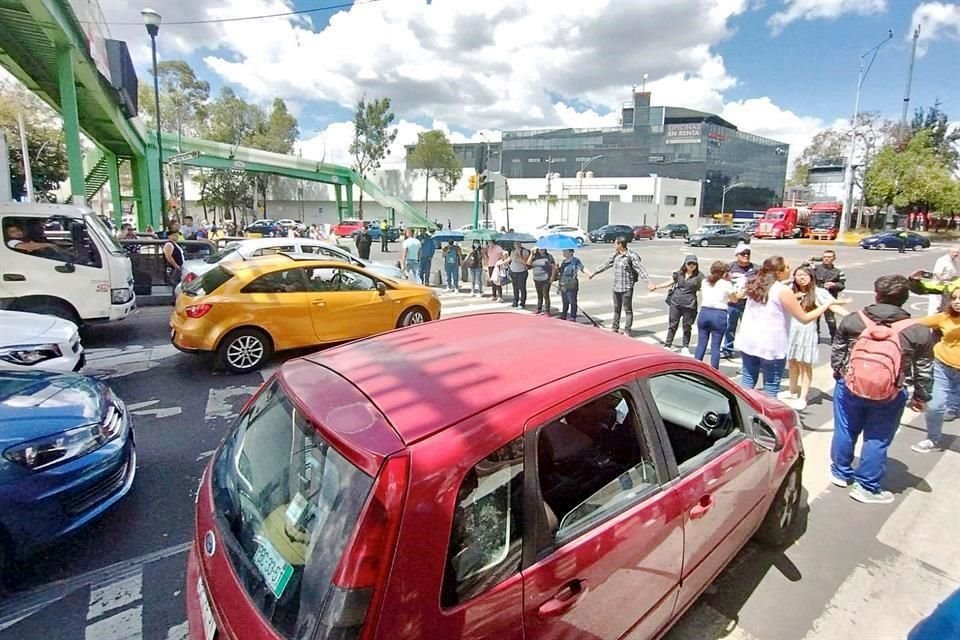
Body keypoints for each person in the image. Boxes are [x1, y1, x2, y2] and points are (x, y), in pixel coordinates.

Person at [830, 274, 933, 504]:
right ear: (905, 298)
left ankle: (840, 472)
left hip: (850, 387)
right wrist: (920, 397)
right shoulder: (917, 330)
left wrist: (840, 375)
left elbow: (837, 353)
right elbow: (924, 369)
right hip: (891, 393)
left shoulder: (854, 320)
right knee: (877, 438)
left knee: (845, 429)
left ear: (877, 295)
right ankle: (866, 486)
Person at [736, 256, 846, 396]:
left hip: (749, 341)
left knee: (747, 381)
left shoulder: (755, 284)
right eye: (787, 267)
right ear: (778, 272)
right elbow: (804, 318)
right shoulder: (782, 290)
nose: (790, 270)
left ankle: (743, 412)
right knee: (771, 387)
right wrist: (827, 304)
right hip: (770, 346)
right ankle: (766, 416)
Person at [781, 266, 850, 410]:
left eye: (805, 275)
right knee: (792, 362)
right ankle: (792, 391)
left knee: (805, 364)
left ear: (811, 277)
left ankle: (803, 397)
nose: (802, 278)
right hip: (790, 331)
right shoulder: (789, 291)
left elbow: (832, 306)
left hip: (806, 331)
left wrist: (853, 317)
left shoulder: (819, 292)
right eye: (798, 275)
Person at [911, 287, 960, 453]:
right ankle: (933, 439)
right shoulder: (945, 317)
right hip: (942, 367)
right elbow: (915, 323)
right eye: (954, 298)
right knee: (935, 406)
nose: (957, 302)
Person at [589, 237, 648, 335]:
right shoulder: (615, 255)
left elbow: (640, 269)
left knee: (627, 309)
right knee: (617, 308)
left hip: (627, 287)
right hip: (616, 287)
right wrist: (594, 273)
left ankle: (627, 330)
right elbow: (606, 264)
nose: (614, 245)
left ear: (620, 244)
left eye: (615, 243)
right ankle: (615, 327)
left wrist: (648, 282)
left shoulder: (631, 256)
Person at [649, 254, 704, 356]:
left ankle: (685, 346)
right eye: (689, 263)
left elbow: (705, 288)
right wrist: (656, 287)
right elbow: (670, 282)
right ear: (685, 264)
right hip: (676, 302)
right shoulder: (679, 273)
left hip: (689, 304)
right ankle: (668, 345)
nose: (691, 265)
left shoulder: (699, 276)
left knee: (687, 326)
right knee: (672, 324)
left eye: (694, 264)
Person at [694, 261, 738, 369]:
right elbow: (734, 299)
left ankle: (695, 367)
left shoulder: (705, 281)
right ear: (724, 273)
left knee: (701, 343)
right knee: (715, 346)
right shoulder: (726, 284)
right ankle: (714, 370)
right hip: (719, 314)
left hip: (704, 312)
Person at [722, 243, 757, 359]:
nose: (746, 256)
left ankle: (748, 352)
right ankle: (727, 349)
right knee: (729, 327)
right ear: (737, 255)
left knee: (748, 329)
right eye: (743, 254)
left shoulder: (756, 269)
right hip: (732, 303)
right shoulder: (730, 267)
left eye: (748, 254)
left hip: (749, 304)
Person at [813, 249, 846, 341]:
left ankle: (834, 337)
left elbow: (842, 285)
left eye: (829, 257)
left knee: (830, 319)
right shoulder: (815, 268)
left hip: (829, 297)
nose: (826, 259)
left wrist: (834, 285)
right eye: (825, 257)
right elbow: (803, 274)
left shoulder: (838, 272)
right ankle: (816, 336)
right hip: (816, 297)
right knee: (815, 318)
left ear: (834, 258)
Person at [557, 248, 590, 321]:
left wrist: (588, 274)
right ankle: (564, 315)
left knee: (572, 301)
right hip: (563, 283)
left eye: (565, 251)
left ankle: (573, 316)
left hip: (571, 283)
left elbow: (582, 268)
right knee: (565, 301)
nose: (563, 253)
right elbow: (561, 273)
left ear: (571, 252)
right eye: (563, 251)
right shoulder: (564, 261)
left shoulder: (575, 260)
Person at [928, 246, 960, 315]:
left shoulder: (954, 261)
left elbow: (954, 274)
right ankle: (931, 319)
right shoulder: (942, 260)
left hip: (948, 286)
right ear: (949, 252)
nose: (956, 254)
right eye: (954, 252)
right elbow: (937, 273)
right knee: (936, 304)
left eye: (957, 252)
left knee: (945, 304)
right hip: (939, 285)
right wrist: (943, 280)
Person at [527, 246, 557, 315]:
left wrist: (552, 276)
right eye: (540, 249)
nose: (541, 250)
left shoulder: (549, 256)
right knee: (539, 295)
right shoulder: (535, 256)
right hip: (536, 279)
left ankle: (547, 311)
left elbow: (553, 267)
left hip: (545, 279)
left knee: (545, 294)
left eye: (543, 248)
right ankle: (539, 309)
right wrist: (531, 253)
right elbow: (528, 265)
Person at [162, 221, 184, 304]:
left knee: (177, 283)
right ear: (170, 236)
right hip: (173, 267)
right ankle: (174, 300)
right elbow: (168, 256)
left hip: (177, 266)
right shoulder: (169, 244)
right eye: (174, 235)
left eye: (177, 235)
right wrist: (176, 265)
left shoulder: (174, 244)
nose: (176, 236)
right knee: (175, 284)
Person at [507, 243, 531, 307]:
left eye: (518, 243)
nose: (516, 245)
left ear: (520, 244)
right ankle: (515, 301)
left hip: (521, 272)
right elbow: (510, 259)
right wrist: (503, 263)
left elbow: (526, 262)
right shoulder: (513, 251)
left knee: (522, 287)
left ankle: (522, 303)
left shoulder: (524, 251)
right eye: (515, 243)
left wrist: (519, 256)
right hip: (513, 271)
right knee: (515, 288)